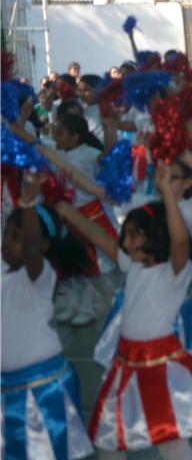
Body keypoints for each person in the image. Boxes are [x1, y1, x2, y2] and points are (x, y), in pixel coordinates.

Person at [59, 164, 192, 460]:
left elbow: (179, 242)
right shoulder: (133, 265)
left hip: (159, 368)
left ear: (156, 235)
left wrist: (167, 195)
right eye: (126, 235)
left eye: (135, 235)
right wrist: (66, 212)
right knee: (109, 444)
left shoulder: (174, 274)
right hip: (125, 365)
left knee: (176, 454)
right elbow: (97, 236)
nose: (126, 242)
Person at [1, 172, 95, 460]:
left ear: (42, 245)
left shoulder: (38, 279)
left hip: (40, 386)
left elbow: (30, 253)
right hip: (7, 387)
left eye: (17, 237)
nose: (7, 242)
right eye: (6, 234)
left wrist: (28, 204)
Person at [42, 112, 118, 326]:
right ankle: (73, 305)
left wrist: (109, 128)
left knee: (90, 268)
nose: (54, 135)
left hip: (89, 216)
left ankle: (110, 304)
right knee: (67, 266)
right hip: (65, 216)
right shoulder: (55, 150)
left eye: (59, 132)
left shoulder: (88, 153)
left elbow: (108, 156)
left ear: (74, 137)